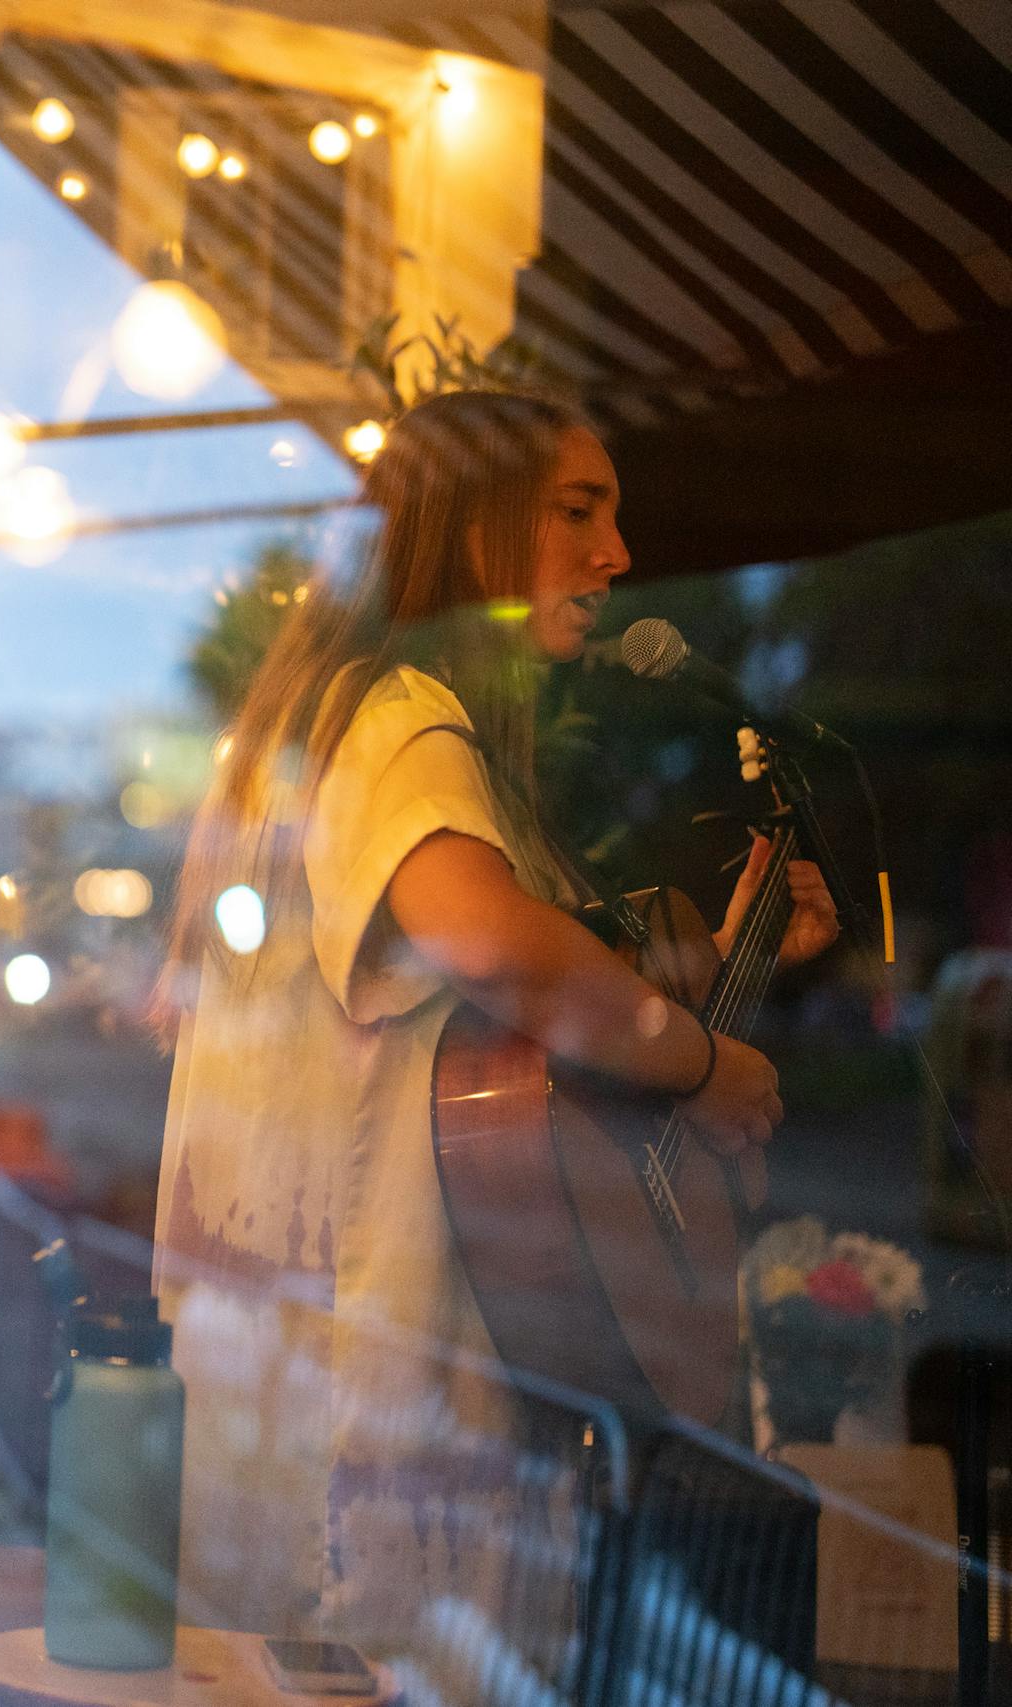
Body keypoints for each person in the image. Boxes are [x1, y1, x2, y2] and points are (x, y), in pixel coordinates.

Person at [148, 389, 838, 1651]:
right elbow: (496, 955)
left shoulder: (339, 726)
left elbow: (495, 1044)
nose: (614, 554)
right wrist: (700, 1067)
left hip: (304, 1395)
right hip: (364, 1419)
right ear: (474, 530)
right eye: (576, 510)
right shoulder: (401, 718)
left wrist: (716, 965)